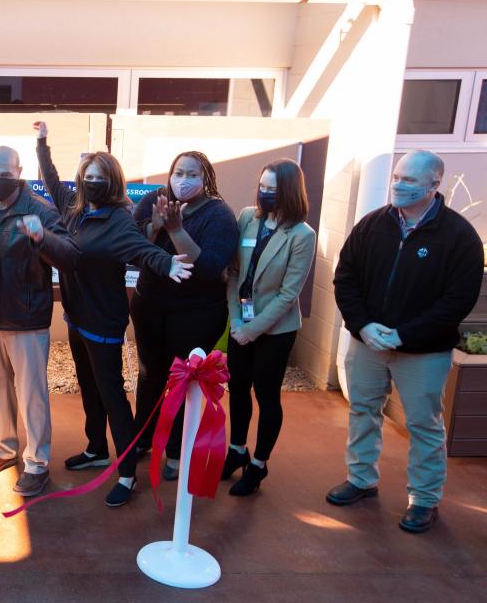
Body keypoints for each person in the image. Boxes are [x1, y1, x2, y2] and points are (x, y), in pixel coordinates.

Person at [33, 122, 193, 507]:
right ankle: (95, 448)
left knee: (112, 395)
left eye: (99, 178)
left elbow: (142, 249)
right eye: (87, 178)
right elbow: (53, 182)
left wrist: (168, 263)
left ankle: (126, 473)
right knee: (88, 389)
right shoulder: (74, 211)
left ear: (112, 182)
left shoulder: (119, 219)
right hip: (76, 318)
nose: (91, 183)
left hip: (103, 323)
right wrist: (41, 144)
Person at [328, 150, 482, 533]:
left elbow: (457, 301)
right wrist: (362, 326)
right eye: (397, 177)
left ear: (434, 185)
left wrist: (403, 334)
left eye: (410, 180)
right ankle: (361, 479)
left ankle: (424, 500)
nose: (398, 185)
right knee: (363, 410)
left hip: (422, 352)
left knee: (424, 425)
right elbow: (345, 279)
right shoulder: (371, 225)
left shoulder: (459, 236)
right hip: (368, 343)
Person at [0, 145, 80, 497]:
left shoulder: (40, 212)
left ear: (19, 171)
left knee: (31, 395)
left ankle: (37, 463)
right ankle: (4, 448)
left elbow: (70, 257)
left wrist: (42, 237)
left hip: (27, 320)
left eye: (6, 173)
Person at [131, 151, 238, 480]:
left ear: (205, 177)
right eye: (179, 172)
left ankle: (177, 449)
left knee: (182, 382)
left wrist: (176, 230)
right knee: (150, 376)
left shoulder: (219, 215)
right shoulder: (154, 199)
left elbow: (207, 268)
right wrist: (155, 225)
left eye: (192, 174)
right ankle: (143, 438)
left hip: (195, 314)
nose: (184, 179)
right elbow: (133, 249)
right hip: (150, 307)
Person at [224, 159, 316, 496]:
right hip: (240, 323)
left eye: (272, 190)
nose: (264, 193)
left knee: (266, 395)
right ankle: (237, 450)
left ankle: (259, 464)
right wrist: (236, 320)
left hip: (275, 330)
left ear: (289, 192)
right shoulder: (249, 217)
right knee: (237, 389)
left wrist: (253, 330)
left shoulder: (302, 235)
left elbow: (288, 293)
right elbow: (234, 273)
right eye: (262, 186)